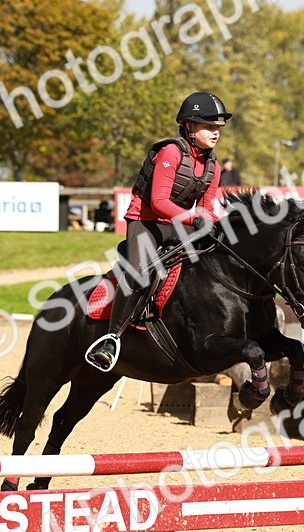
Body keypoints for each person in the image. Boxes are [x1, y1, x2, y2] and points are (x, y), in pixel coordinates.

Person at [84, 91, 229, 372]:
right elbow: (159, 202)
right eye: (209, 126)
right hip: (146, 221)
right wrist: (192, 218)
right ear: (189, 126)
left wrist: (210, 222)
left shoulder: (213, 166)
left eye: (218, 127)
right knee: (140, 273)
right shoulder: (170, 152)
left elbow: (208, 207)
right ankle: (110, 338)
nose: (216, 132)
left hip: (178, 225)